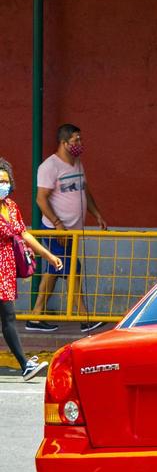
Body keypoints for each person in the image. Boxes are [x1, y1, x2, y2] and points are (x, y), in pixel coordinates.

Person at [28, 123, 107, 333]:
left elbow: (84, 192)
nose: (80, 144)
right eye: (76, 140)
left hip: (72, 230)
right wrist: (57, 224)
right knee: (71, 270)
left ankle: (36, 317)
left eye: (80, 139)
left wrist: (97, 214)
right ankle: (83, 317)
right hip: (57, 231)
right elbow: (41, 199)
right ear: (63, 143)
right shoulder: (49, 167)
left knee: (56, 271)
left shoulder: (77, 163)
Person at [0, 159, 63, 380]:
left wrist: (48, 255)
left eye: (5, 181)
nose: (3, 185)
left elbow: (24, 234)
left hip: (5, 270)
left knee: (8, 317)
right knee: (7, 316)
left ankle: (24, 364)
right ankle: (24, 364)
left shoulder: (11, 207)